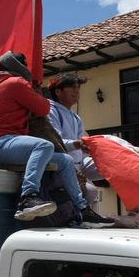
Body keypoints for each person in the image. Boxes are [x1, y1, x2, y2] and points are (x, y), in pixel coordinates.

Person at [0, 51, 113, 227]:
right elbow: (43, 109)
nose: (76, 91)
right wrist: (34, 91)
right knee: (44, 145)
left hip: (3, 146)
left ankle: (82, 209)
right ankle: (28, 198)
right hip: (0, 144)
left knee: (65, 160)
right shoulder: (16, 82)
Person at [47, 73, 103, 203]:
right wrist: (78, 144)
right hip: (61, 165)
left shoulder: (75, 117)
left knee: (112, 163)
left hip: (79, 164)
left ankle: (134, 210)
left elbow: (80, 145)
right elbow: (55, 143)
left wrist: (89, 148)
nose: (77, 91)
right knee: (91, 191)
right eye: (72, 87)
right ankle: (78, 218)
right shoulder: (50, 110)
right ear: (58, 91)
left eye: (78, 87)